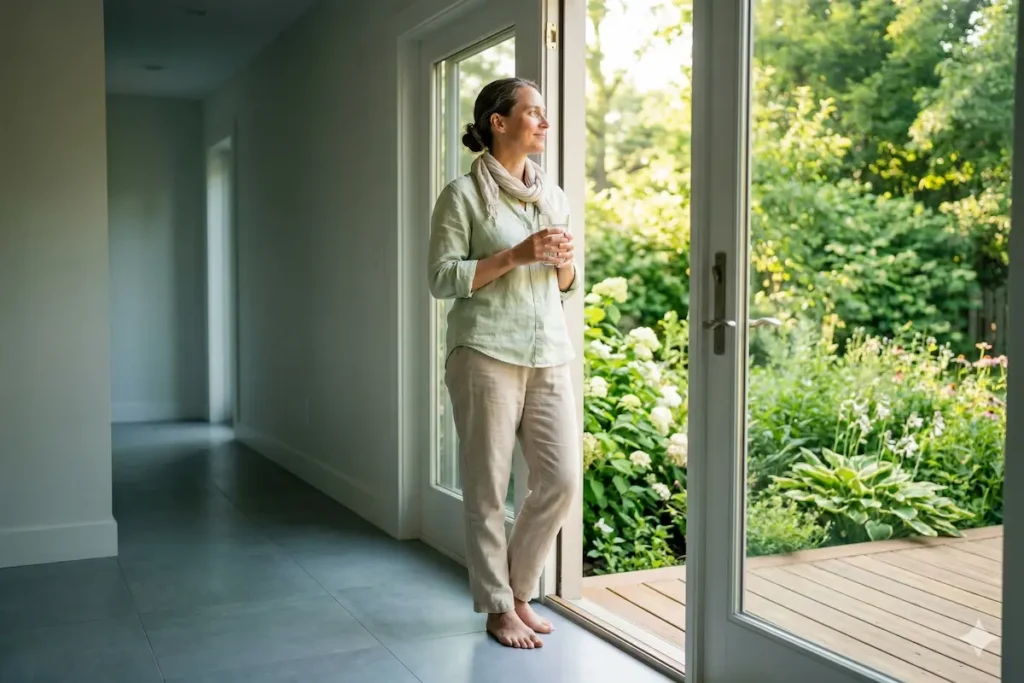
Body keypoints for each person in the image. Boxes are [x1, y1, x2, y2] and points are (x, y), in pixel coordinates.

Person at [427, 77, 580, 650]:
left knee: (562, 479)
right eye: (533, 113)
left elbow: (565, 283)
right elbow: (441, 278)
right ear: (499, 121)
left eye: (544, 114)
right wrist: (515, 256)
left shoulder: (552, 194)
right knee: (487, 488)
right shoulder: (461, 196)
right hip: (485, 352)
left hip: (548, 353)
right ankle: (497, 607)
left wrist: (563, 264)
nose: (544, 123)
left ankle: (518, 590)